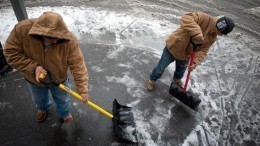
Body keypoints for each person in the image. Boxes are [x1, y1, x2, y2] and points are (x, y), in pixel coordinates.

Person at [4, 11, 89, 123]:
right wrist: (34, 68)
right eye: (50, 37)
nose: (55, 41)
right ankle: (43, 109)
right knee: (39, 99)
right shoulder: (22, 30)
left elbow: (78, 64)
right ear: (39, 33)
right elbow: (10, 53)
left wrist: (83, 90)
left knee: (63, 99)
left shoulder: (69, 40)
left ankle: (64, 114)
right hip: (34, 79)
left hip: (59, 79)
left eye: (58, 37)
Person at [147, 11, 235, 91]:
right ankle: (152, 80)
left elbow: (203, 50)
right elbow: (186, 17)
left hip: (186, 55)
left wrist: (195, 62)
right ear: (219, 27)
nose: (221, 35)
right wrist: (196, 32)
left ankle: (176, 79)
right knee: (160, 67)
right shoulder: (204, 18)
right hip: (174, 47)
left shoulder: (213, 37)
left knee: (180, 71)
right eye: (222, 33)